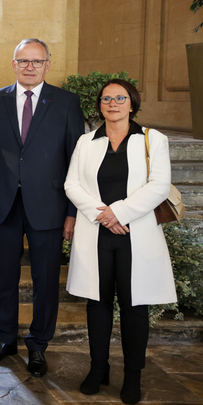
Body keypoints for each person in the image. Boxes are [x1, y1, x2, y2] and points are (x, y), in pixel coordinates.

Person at [0, 38, 85, 376]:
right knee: (3, 279)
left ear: (47, 65)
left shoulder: (66, 103)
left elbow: (75, 161)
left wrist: (72, 212)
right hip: (3, 205)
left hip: (50, 208)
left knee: (45, 280)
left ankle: (38, 344)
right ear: (13, 63)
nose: (29, 66)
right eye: (23, 60)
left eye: (36, 61)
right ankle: (4, 339)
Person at [64, 79, 175, 404]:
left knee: (134, 308)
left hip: (134, 236)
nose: (113, 103)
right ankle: (98, 368)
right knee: (97, 306)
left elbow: (159, 185)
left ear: (132, 103)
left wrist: (119, 213)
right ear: (99, 105)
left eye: (120, 98)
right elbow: (72, 184)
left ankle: (132, 376)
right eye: (107, 98)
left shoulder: (153, 140)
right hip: (96, 234)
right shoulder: (87, 142)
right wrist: (102, 215)